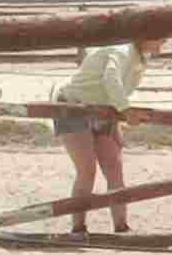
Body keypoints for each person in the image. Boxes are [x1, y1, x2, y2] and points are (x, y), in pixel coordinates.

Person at [53, 31, 144, 236]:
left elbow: (117, 88)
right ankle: (78, 228)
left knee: (114, 167)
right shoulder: (122, 51)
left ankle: (121, 226)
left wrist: (118, 117)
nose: (163, 42)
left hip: (102, 108)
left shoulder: (138, 58)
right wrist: (126, 111)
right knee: (87, 169)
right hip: (73, 105)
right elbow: (110, 79)